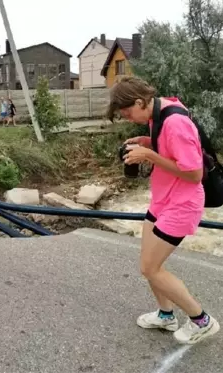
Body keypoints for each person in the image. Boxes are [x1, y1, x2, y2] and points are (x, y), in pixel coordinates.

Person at [109, 76, 219, 344]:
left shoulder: (175, 122)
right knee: (149, 265)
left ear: (139, 101)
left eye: (127, 113)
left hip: (182, 204)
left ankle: (202, 321)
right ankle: (166, 315)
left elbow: (194, 173)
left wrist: (149, 156)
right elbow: (172, 149)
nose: (127, 118)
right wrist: (149, 141)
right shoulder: (158, 112)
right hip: (162, 199)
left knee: (151, 268)